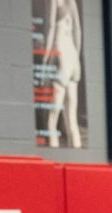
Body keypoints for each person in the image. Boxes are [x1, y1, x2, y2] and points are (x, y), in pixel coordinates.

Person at [42, 0, 83, 149]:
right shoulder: (72, 2)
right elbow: (77, 30)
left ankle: (53, 159)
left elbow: (51, 28)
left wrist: (45, 57)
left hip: (61, 58)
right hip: (73, 58)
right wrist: (77, 57)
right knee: (72, 120)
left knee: (52, 120)